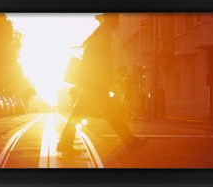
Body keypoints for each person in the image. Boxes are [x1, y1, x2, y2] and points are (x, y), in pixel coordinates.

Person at [57, 14, 148, 154]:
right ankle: (131, 142)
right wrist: (107, 81)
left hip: (93, 83)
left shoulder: (101, 34)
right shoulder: (101, 35)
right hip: (96, 83)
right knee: (111, 113)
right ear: (110, 19)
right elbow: (100, 62)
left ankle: (65, 142)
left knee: (84, 114)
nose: (118, 21)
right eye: (116, 18)